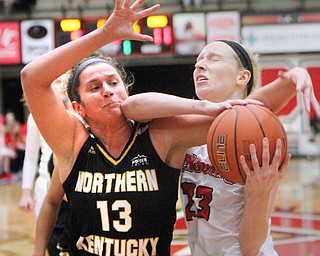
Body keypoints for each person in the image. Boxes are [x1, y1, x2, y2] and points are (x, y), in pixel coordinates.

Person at [20, 1, 256, 255]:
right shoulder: (72, 143)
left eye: (113, 82)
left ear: (127, 90)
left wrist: (288, 83)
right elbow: (31, 78)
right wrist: (105, 34)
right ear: (79, 109)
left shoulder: (161, 136)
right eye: (95, 87)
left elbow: (244, 118)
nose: (108, 91)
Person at [121, 40, 320, 255]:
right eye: (198, 61)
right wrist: (202, 107)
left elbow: (251, 247)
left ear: (243, 77)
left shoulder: (256, 138)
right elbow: (130, 107)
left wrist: (258, 195)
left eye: (213, 59)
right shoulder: (188, 132)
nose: (199, 65)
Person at [18, 73, 72, 256]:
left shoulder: (78, 112)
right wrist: (25, 192)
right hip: (46, 182)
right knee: (50, 239)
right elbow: (30, 157)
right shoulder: (35, 117)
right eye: (56, 81)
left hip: (73, 181)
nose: (61, 85)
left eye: (64, 81)